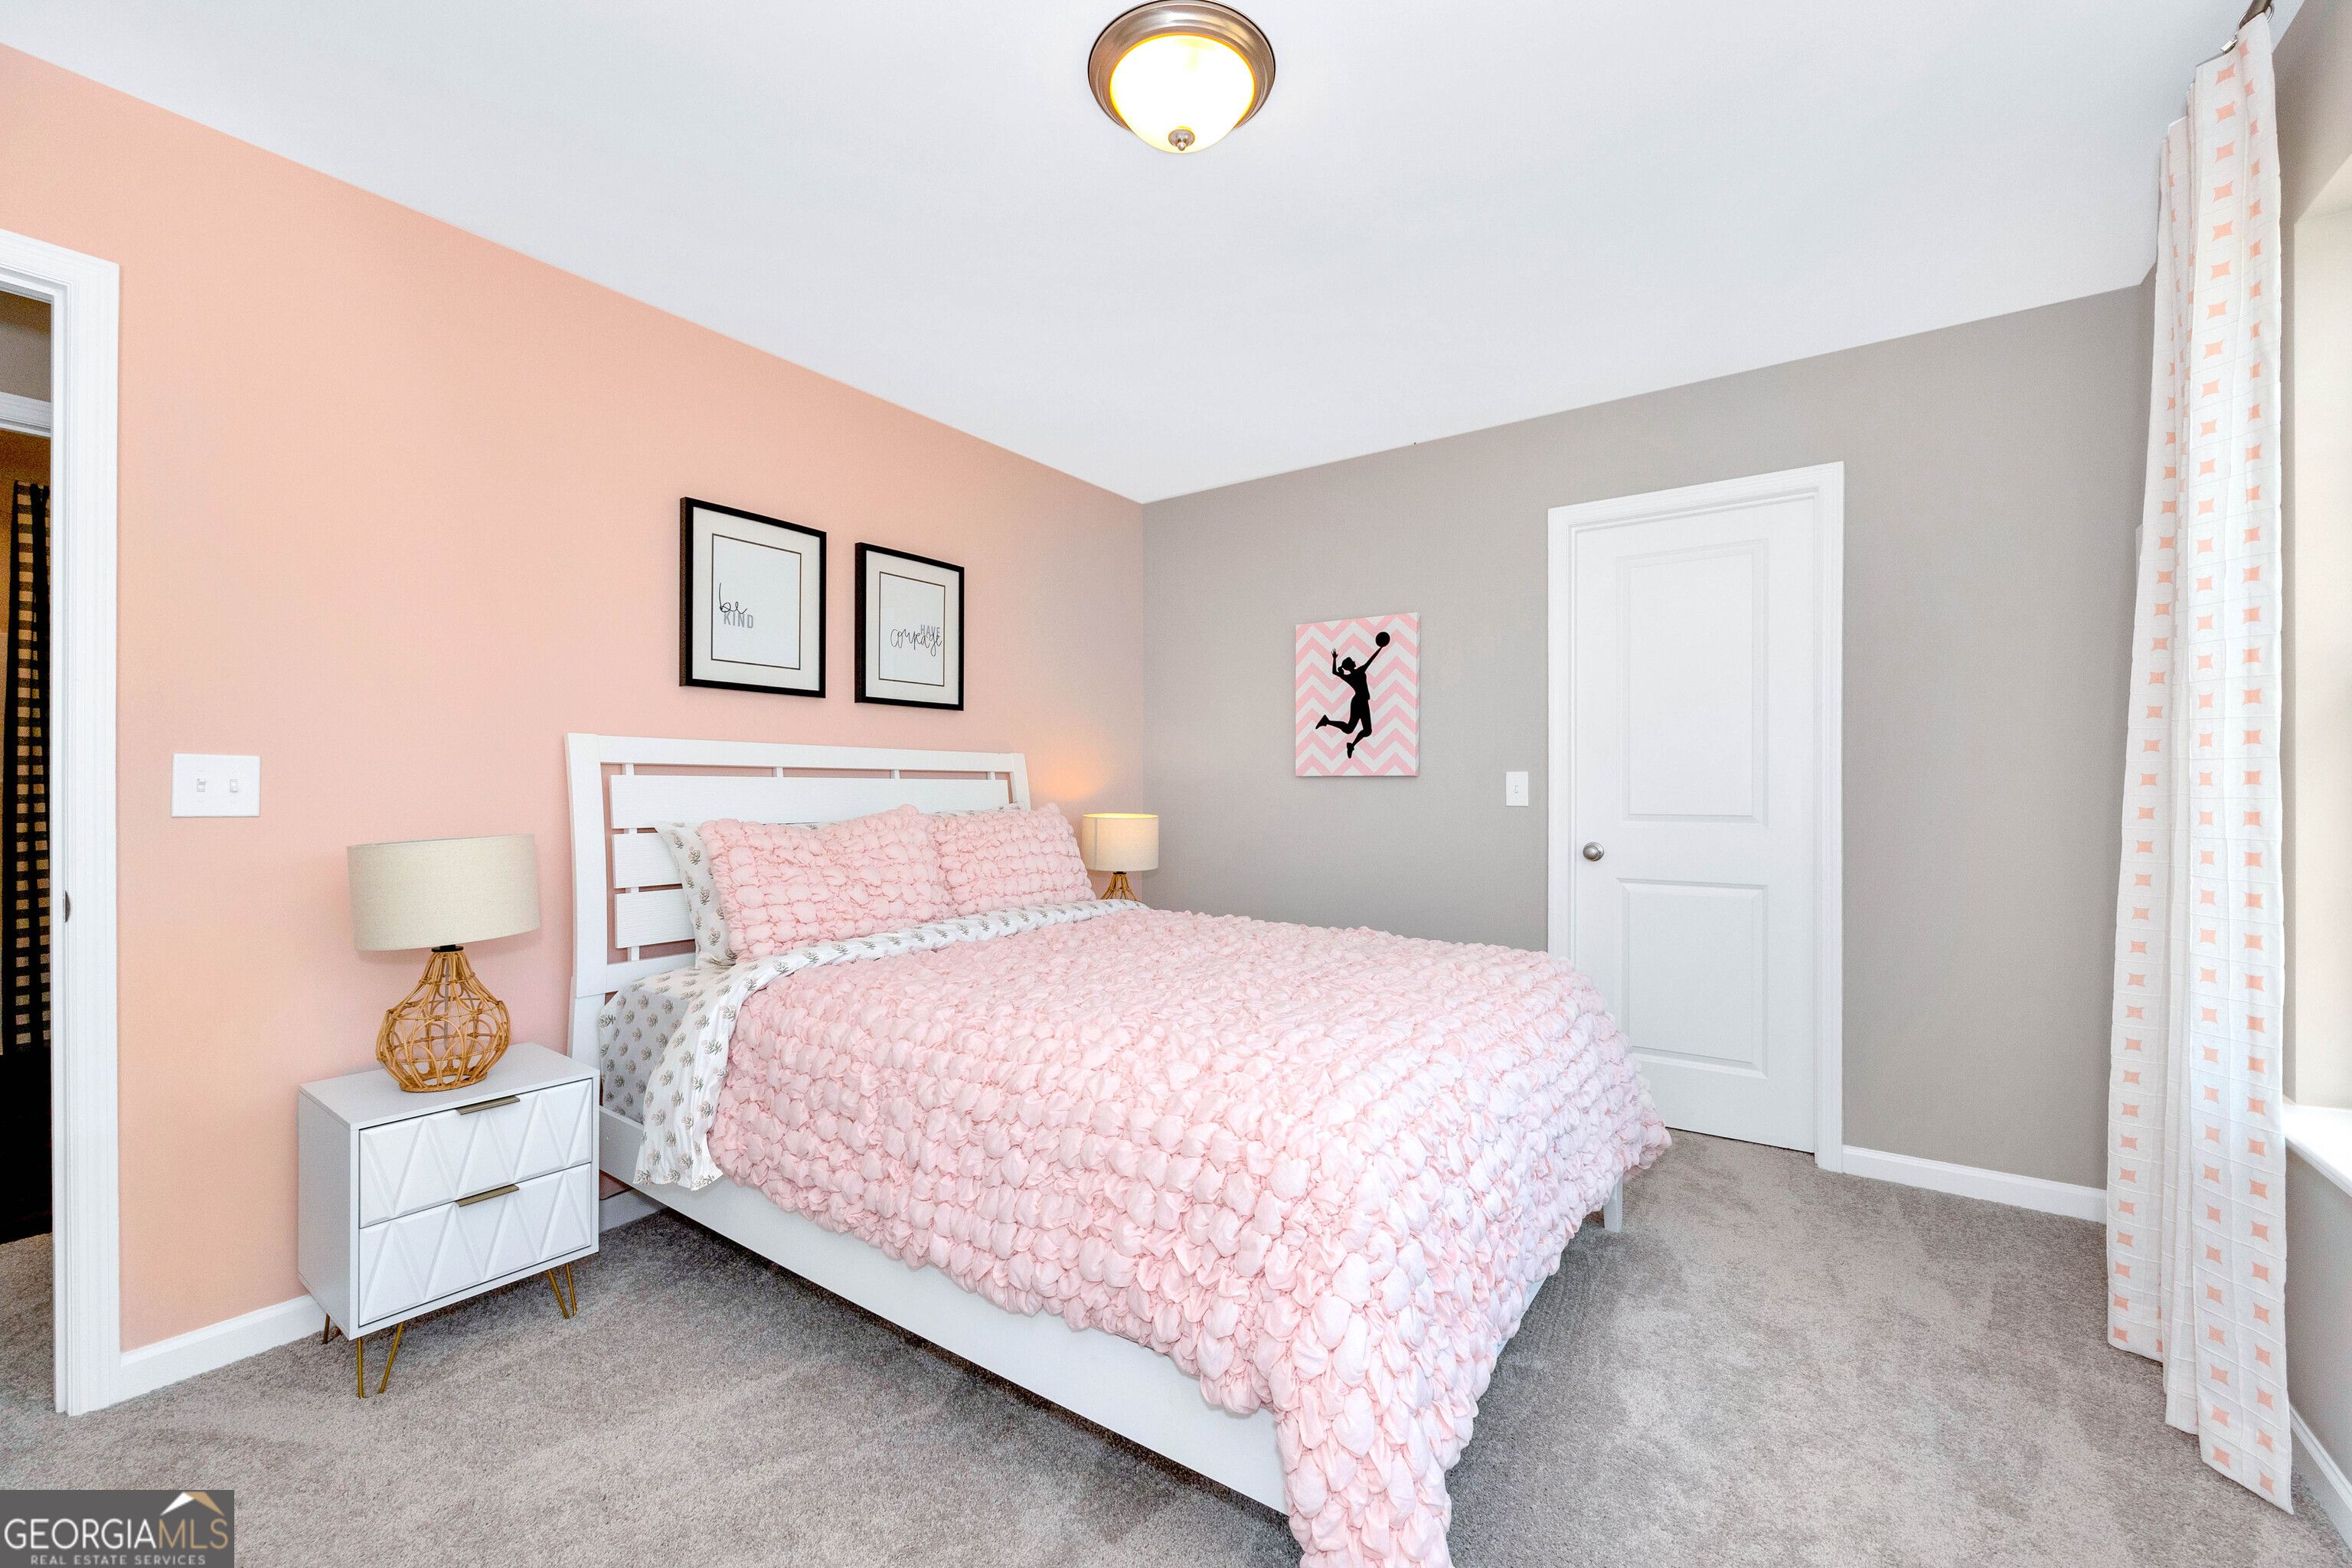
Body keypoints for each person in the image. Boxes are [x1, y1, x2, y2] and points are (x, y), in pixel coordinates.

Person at [1314, 631, 1389, 757]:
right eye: (1352, 661)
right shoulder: (1358, 672)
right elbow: (1371, 659)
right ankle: (1330, 724)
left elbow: (1334, 672)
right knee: (1363, 730)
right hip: (1360, 702)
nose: (1355, 661)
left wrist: (1334, 659)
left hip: (1360, 701)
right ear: (1350, 665)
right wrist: (1380, 648)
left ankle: (1349, 743)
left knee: (1354, 729)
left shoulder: (1351, 675)